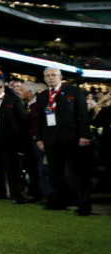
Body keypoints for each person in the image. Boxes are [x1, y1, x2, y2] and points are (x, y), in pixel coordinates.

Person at [36, 68, 92, 215]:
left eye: (53, 75)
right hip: (50, 140)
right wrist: (39, 138)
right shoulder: (42, 96)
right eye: (47, 76)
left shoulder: (73, 91)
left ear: (60, 77)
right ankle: (60, 201)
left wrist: (85, 135)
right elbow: (39, 120)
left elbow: (83, 114)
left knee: (76, 173)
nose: (50, 78)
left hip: (72, 139)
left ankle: (84, 205)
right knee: (55, 173)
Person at [0, 79, 27, 203]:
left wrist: (18, 137)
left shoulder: (13, 100)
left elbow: (22, 119)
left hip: (10, 141)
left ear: (1, 86)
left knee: (12, 168)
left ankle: (16, 194)